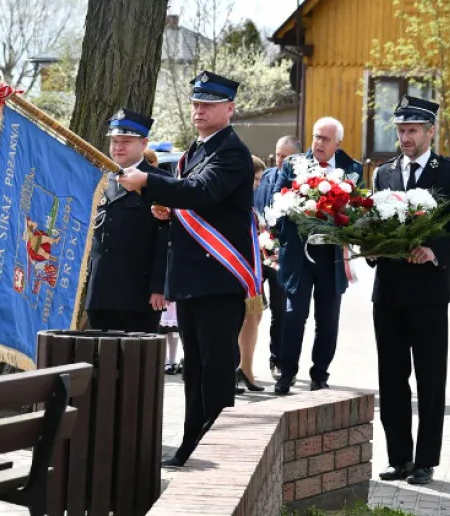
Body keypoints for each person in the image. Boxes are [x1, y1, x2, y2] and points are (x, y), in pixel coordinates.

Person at [117, 70, 256, 467]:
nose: (199, 110)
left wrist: (148, 182)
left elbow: (202, 192)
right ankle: (192, 440)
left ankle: (217, 446)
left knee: (215, 370)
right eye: (196, 103)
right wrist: (163, 207)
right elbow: (190, 203)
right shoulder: (195, 151)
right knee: (193, 369)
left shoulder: (231, 151)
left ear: (229, 108)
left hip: (218, 279)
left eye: (209, 104)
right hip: (193, 280)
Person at [370, 95, 450, 485]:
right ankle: (398, 458)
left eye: (412, 130)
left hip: (429, 294)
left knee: (430, 379)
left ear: (430, 131)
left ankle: (425, 460)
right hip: (388, 295)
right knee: (392, 379)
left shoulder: (449, 173)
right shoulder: (383, 173)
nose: (405, 137)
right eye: (400, 130)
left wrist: (435, 251)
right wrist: (371, 250)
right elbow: (373, 226)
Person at [271, 117, 363, 394]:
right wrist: (299, 207)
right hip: (299, 254)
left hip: (332, 257)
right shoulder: (293, 163)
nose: (319, 143)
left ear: (338, 143)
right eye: (316, 136)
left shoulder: (352, 168)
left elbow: (358, 207)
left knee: (328, 318)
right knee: (293, 315)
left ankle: (320, 374)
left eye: (325, 138)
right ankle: (286, 373)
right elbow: (277, 197)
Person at [84, 108, 170, 333]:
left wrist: (160, 286)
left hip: (138, 294)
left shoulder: (160, 182)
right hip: (100, 291)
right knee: (100, 361)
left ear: (143, 144)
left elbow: (166, 239)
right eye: (115, 141)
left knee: (137, 363)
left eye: (126, 141)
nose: (118, 147)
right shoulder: (101, 178)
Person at [257, 136, 299, 380]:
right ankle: (241, 363)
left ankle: (278, 359)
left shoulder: (301, 180)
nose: (280, 160)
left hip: (283, 256)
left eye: (286, 156)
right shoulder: (267, 177)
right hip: (259, 251)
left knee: (280, 311)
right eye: (278, 155)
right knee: (249, 306)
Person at [234, 155, 270, 393]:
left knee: (254, 319)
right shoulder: (234, 202)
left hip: (254, 276)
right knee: (237, 323)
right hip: (238, 273)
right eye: (254, 179)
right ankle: (236, 368)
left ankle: (246, 369)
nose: (256, 185)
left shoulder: (251, 206)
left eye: (259, 180)